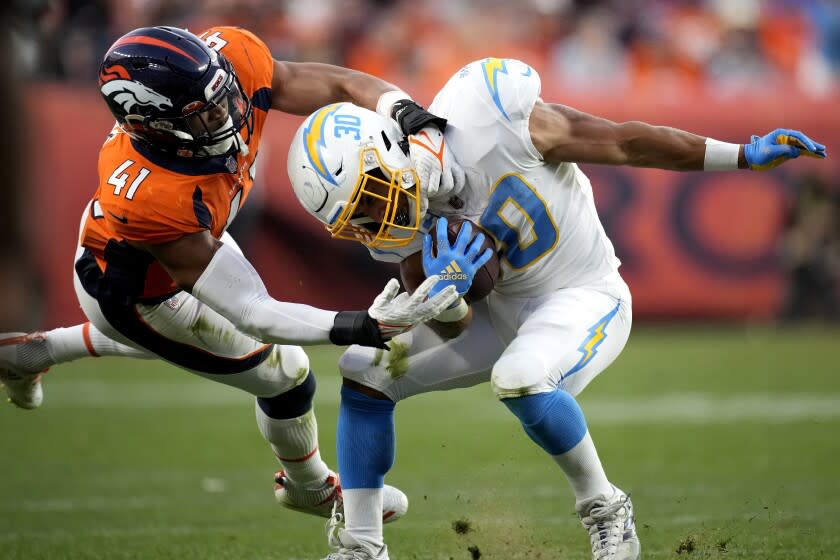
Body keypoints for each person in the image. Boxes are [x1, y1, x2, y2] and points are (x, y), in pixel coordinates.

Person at [287, 57, 827, 560]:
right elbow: (458, 326)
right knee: (365, 372)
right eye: (356, 216)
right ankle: (362, 544)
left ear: (394, 150)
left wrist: (738, 154)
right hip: (502, 310)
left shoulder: (487, 121)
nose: (374, 224)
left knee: (521, 376)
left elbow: (624, 144)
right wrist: (444, 293)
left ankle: (606, 510)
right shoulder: (392, 219)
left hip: (584, 295)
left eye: (372, 197)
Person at [0, 25, 464, 527]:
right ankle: (309, 488)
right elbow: (254, 312)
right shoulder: (157, 197)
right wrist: (362, 325)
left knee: (201, 350)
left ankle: (26, 353)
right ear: (154, 127)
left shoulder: (230, 61)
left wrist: (402, 110)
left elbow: (338, 85)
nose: (228, 114)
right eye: (203, 115)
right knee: (285, 374)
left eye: (221, 97)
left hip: (179, 245)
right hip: (138, 294)